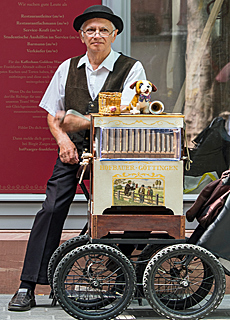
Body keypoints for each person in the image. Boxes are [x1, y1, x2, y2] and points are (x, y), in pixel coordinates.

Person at [8, 4, 146, 311]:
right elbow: (50, 113)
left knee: (135, 210)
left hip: (116, 155)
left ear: (115, 35)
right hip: (73, 154)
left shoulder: (132, 69)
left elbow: (127, 112)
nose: (97, 35)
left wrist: (78, 121)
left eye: (103, 30)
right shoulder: (67, 68)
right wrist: (63, 140)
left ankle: (115, 278)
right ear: (82, 36)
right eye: (91, 30)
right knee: (51, 208)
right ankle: (27, 286)